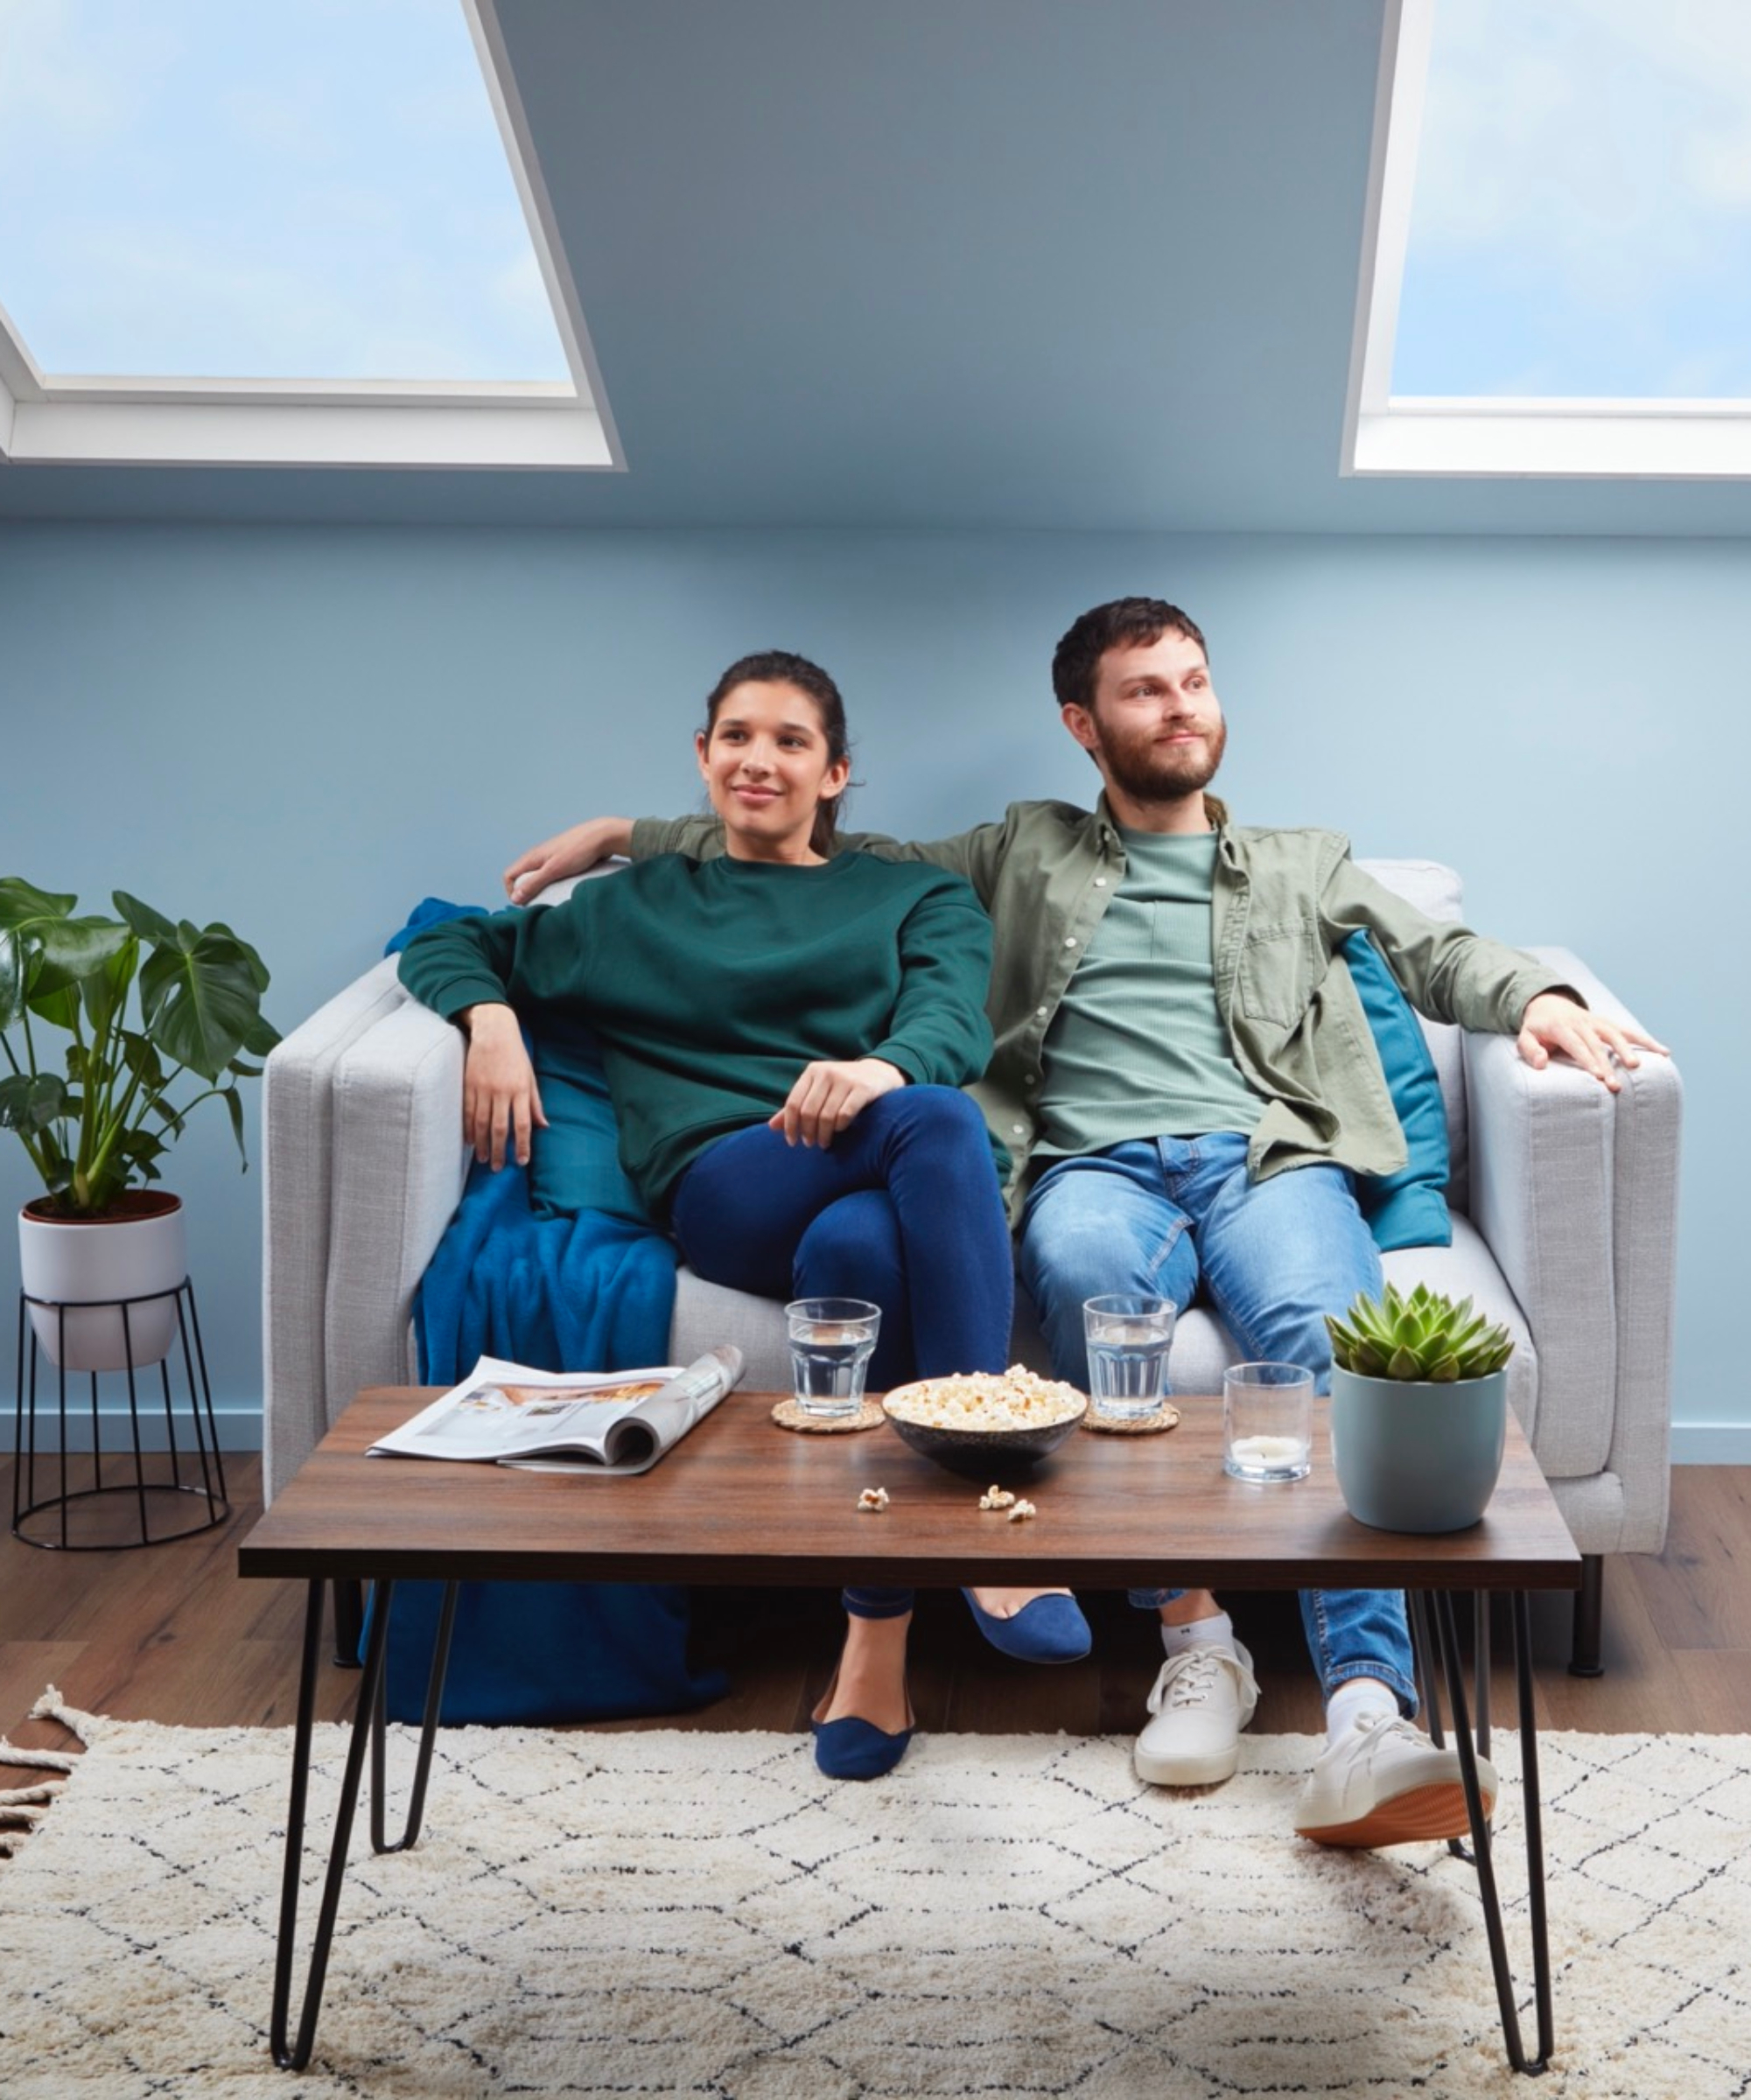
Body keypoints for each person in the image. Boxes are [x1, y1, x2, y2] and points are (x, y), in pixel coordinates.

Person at [504, 600, 1668, 1849]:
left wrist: (1535, 995)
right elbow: (829, 848)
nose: (1180, 708)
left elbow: (1435, 950)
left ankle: (1369, 1717)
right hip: (1085, 1170)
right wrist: (632, 834)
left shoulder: (1302, 860)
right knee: (1093, 1317)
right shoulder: (1024, 851)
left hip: (1264, 1158)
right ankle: (1197, 1640)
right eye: (1144, 691)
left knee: (1334, 1348)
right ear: (1084, 723)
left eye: (1192, 682)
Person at [400, 649, 1091, 1783]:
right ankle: (984, 1506)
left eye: (788, 742)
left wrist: (876, 1072)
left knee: (860, 1243)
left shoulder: (911, 895)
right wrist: (490, 1022)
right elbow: (449, 939)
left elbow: (948, 1024)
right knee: (937, 1125)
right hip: (725, 1184)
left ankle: (871, 1649)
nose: (756, 760)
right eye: (735, 736)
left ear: (836, 775)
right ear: (701, 756)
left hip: (862, 1168)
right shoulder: (630, 906)